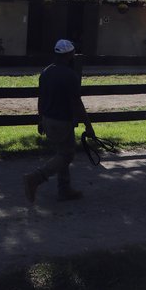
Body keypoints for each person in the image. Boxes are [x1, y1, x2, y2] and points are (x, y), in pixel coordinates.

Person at [24, 39, 96, 203]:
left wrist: (40, 119)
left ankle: (64, 189)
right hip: (62, 121)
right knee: (67, 154)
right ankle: (35, 178)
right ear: (69, 54)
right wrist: (88, 125)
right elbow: (77, 103)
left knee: (61, 152)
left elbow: (41, 99)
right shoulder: (70, 75)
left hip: (48, 119)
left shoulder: (46, 72)